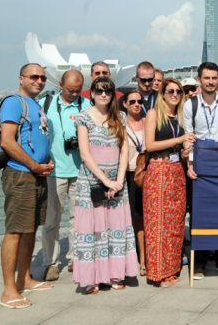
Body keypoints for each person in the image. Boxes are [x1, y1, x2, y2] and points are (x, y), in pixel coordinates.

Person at [73, 77, 139, 294]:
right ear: (91, 93)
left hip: (117, 182)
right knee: (94, 230)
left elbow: (125, 150)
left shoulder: (119, 116)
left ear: (113, 94)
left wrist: (119, 181)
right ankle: (91, 279)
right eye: (99, 91)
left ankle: (114, 274)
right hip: (92, 181)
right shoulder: (83, 118)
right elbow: (84, 153)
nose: (103, 94)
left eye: (108, 91)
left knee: (115, 228)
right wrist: (106, 180)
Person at [0, 63, 54, 309]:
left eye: (42, 78)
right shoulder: (13, 102)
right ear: (21, 78)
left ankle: (25, 278)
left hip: (37, 174)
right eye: (34, 76)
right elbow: (7, 141)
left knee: (30, 229)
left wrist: (45, 161)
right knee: (15, 231)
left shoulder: (36, 103)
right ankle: (9, 291)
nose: (39, 81)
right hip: (21, 175)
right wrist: (33, 164)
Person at [183, 62, 218, 279]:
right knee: (198, 213)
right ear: (199, 79)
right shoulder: (190, 106)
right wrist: (189, 165)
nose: (211, 82)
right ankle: (200, 261)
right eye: (207, 78)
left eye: (215, 78)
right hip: (199, 164)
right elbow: (188, 138)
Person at [41, 70, 91, 282]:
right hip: (54, 171)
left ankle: (74, 258)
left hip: (80, 170)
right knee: (51, 219)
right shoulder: (45, 103)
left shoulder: (86, 105)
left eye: (78, 90)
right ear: (61, 84)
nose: (73, 94)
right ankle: (50, 262)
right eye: (70, 90)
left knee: (78, 218)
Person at [143, 79, 194, 287]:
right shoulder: (153, 114)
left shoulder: (180, 116)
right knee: (158, 223)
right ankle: (158, 273)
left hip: (177, 171)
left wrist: (185, 150)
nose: (174, 94)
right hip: (158, 171)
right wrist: (179, 140)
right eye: (170, 91)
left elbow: (179, 149)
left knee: (175, 223)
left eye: (178, 91)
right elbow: (150, 145)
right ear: (162, 93)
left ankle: (172, 269)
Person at [122, 90, 147, 276]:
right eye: (132, 102)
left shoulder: (148, 123)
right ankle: (130, 259)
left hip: (147, 175)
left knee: (142, 220)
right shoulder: (120, 125)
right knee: (129, 219)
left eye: (139, 101)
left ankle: (144, 259)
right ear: (125, 104)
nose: (136, 104)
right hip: (128, 175)